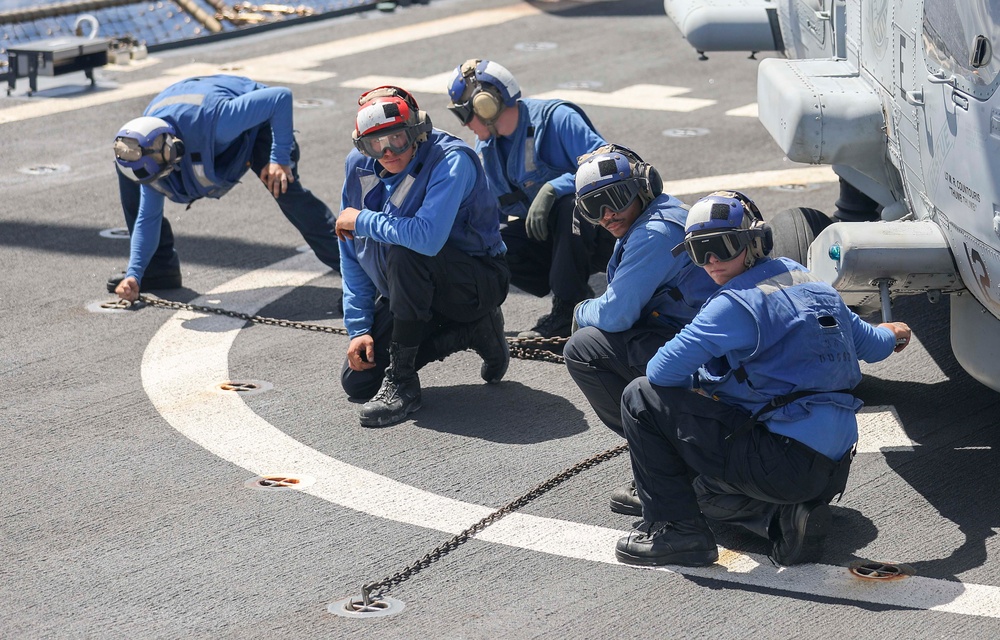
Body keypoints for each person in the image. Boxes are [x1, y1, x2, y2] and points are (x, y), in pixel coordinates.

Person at [614, 191, 912, 568]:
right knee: (705, 479)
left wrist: (704, 388)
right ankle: (787, 519)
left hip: (781, 462)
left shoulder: (732, 304)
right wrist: (896, 332)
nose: (710, 262)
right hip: (834, 469)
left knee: (640, 397)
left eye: (721, 247)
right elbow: (872, 344)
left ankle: (679, 533)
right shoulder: (814, 284)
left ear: (753, 243)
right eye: (698, 251)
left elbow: (660, 372)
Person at [337, 85, 511, 427]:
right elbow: (351, 249)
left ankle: (402, 382)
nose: (387, 152)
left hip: (474, 280)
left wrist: (362, 219)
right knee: (358, 380)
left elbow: (427, 239)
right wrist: (358, 329)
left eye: (397, 139)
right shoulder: (359, 167)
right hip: (410, 289)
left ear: (417, 131)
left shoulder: (451, 161)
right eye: (375, 144)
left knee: (407, 250)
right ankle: (472, 332)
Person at [562, 145, 718, 517]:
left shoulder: (653, 233)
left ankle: (664, 461)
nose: (606, 215)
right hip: (705, 342)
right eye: (593, 208)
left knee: (583, 349)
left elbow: (615, 315)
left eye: (614, 198)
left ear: (643, 187)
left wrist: (581, 310)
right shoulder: (657, 216)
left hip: (703, 354)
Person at [110, 74, 340, 301]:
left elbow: (280, 97)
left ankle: (359, 276)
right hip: (204, 127)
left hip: (259, 120)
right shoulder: (146, 155)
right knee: (131, 181)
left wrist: (278, 159)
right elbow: (147, 218)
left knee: (285, 190)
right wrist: (134, 274)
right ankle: (156, 270)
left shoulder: (219, 122)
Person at [446, 59, 615, 338]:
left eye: (464, 115)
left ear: (485, 105)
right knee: (486, 245)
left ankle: (565, 309)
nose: (465, 126)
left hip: (603, 232)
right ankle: (575, 295)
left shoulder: (557, 119)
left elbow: (606, 165)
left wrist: (554, 188)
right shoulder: (488, 146)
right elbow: (489, 208)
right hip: (554, 243)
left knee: (570, 205)